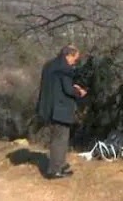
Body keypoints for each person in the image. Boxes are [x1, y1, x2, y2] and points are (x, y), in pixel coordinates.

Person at [36, 44, 88, 179]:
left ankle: (60, 165)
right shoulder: (65, 69)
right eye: (75, 59)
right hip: (60, 109)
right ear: (68, 55)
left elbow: (57, 85)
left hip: (49, 107)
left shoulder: (50, 65)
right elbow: (68, 90)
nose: (74, 62)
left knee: (56, 138)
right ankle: (55, 170)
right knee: (60, 139)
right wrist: (79, 91)